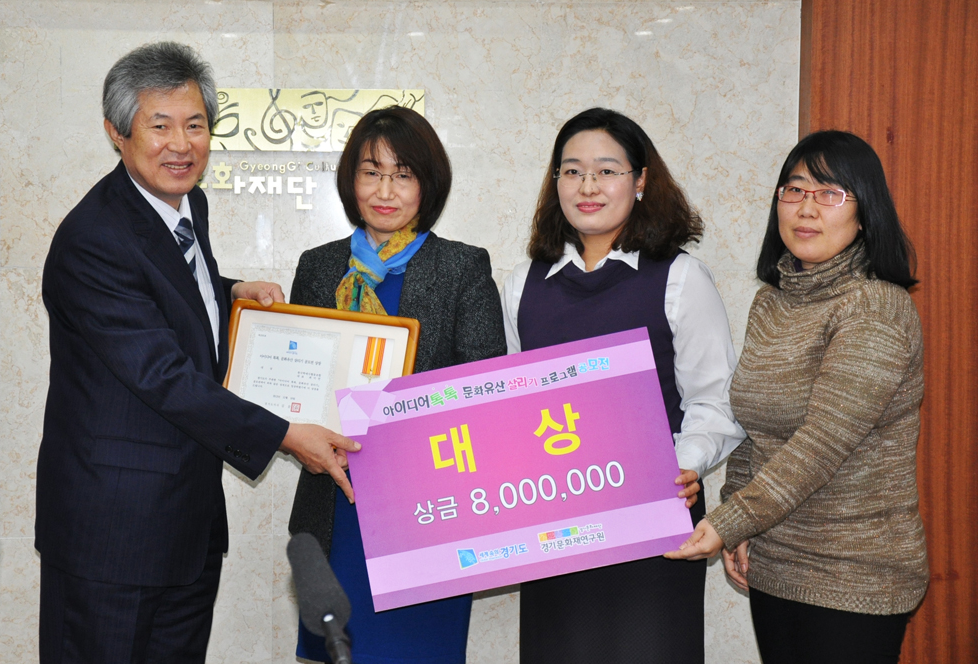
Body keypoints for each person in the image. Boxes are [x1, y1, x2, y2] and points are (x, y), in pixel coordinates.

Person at [36, 42, 359, 663]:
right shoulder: (92, 239)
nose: (181, 144)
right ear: (117, 133)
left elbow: (167, 288)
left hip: (185, 527)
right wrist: (286, 434)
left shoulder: (184, 205)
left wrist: (229, 289)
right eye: (159, 126)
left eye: (195, 124)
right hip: (113, 536)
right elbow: (163, 375)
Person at [666, 130, 927, 664]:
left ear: (864, 212)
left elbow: (821, 444)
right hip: (772, 563)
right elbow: (754, 422)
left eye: (830, 193)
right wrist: (739, 520)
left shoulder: (876, 308)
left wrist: (729, 522)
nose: (807, 208)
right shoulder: (772, 302)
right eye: (795, 190)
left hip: (854, 575)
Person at [501, 107, 745, 663]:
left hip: (653, 523)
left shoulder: (679, 277)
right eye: (572, 171)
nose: (587, 186)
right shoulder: (523, 285)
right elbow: (512, 406)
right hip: (556, 528)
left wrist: (680, 467)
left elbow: (714, 402)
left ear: (640, 181)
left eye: (607, 170)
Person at [287, 105, 507, 664]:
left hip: (428, 510)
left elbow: (485, 391)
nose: (385, 191)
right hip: (335, 506)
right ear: (351, 179)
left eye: (403, 174)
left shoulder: (461, 267)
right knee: (340, 650)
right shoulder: (318, 267)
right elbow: (299, 381)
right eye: (371, 172)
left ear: (427, 184)